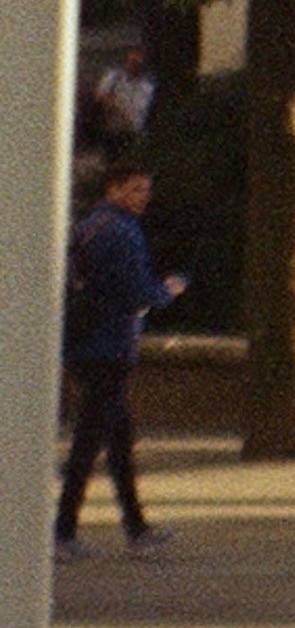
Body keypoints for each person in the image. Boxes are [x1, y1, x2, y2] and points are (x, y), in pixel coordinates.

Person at [53, 163, 182, 552]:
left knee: (117, 438)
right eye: (136, 189)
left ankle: (135, 528)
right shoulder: (123, 233)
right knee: (91, 440)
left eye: (145, 190)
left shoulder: (88, 228)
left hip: (84, 343)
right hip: (110, 347)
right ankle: (63, 531)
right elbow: (138, 293)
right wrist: (168, 291)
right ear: (115, 189)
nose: (143, 197)